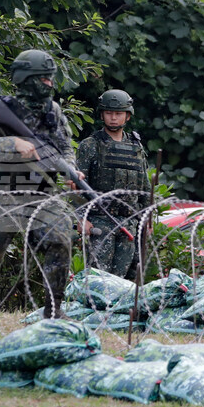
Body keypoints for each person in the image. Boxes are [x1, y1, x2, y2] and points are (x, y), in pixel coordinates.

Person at [0, 50, 81, 330]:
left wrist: (72, 171)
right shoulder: (1, 110)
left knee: (61, 239)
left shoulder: (54, 112)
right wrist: (12, 143)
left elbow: (64, 148)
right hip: (4, 194)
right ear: (27, 80)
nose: (50, 84)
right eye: (44, 79)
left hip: (42, 194)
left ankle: (53, 313)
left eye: (50, 78)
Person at [75, 89, 150, 279]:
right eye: (109, 113)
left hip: (129, 222)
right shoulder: (90, 145)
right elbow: (77, 186)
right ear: (102, 114)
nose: (113, 118)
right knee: (98, 279)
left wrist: (146, 219)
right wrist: (81, 218)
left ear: (127, 116)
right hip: (100, 221)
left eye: (118, 114)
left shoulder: (136, 147)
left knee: (125, 281)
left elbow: (144, 188)